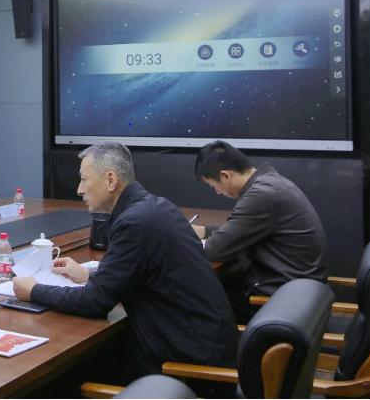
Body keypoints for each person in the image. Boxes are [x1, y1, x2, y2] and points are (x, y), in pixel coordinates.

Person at [13, 142, 238, 387]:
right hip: (206, 350)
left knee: (64, 379)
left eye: (84, 180)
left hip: (190, 372)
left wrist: (34, 290)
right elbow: (141, 272)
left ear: (111, 180)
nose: (79, 190)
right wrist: (88, 274)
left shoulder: (134, 222)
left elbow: (95, 302)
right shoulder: (156, 207)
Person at [192, 140, 329, 323]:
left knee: (195, 299)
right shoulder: (271, 182)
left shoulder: (260, 195)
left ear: (225, 175)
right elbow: (240, 228)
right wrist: (203, 230)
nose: (217, 192)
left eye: (213, 185)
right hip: (300, 290)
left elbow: (214, 250)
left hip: (282, 301)